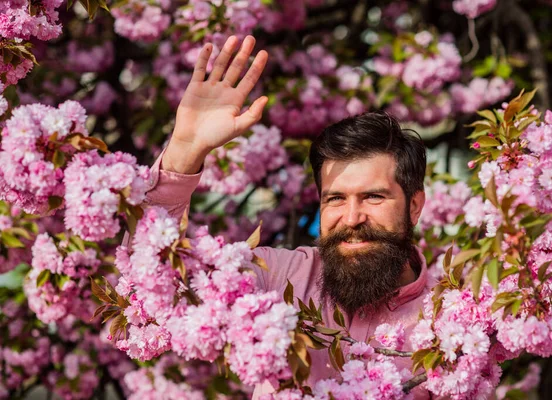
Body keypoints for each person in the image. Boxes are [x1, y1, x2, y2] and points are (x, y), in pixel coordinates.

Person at [145, 34, 432, 399]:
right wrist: (185, 151)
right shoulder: (275, 278)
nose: (352, 217)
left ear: (414, 205)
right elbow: (157, 278)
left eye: (374, 197)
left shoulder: (448, 318)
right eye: (336, 199)